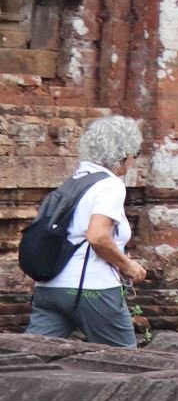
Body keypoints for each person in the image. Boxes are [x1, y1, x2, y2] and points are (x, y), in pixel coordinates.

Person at [25, 115, 147, 347]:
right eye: (135, 154)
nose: (133, 160)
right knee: (126, 362)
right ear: (123, 153)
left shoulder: (74, 181)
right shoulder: (110, 185)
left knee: (29, 357)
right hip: (92, 291)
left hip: (49, 289)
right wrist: (128, 266)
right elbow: (97, 236)